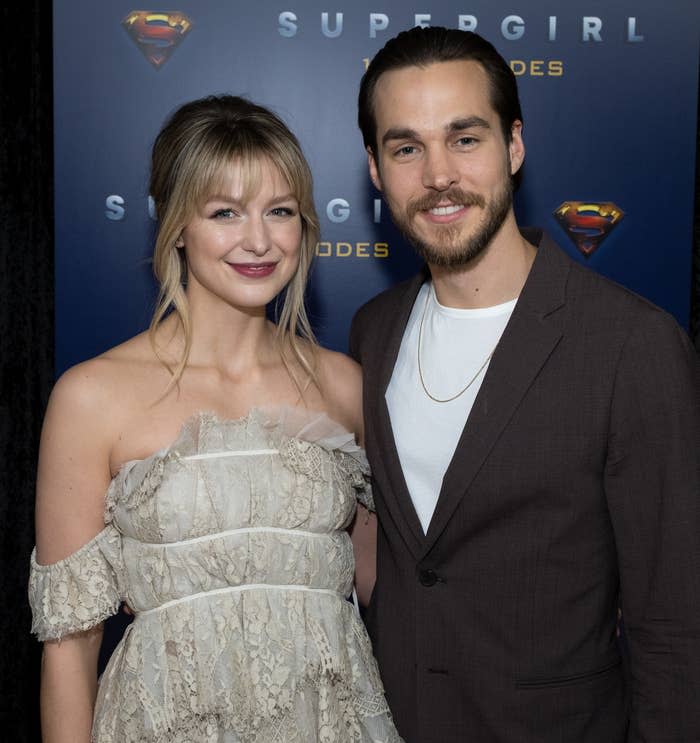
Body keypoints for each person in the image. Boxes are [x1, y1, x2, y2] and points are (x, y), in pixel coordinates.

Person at [349, 26, 700, 743]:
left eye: (465, 138)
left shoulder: (633, 343)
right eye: (407, 146)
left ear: (514, 146)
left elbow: (675, 624)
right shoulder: (373, 331)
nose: (438, 173)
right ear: (376, 170)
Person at [29, 95, 402, 742]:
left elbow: (386, 588)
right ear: (177, 226)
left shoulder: (344, 385)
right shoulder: (92, 397)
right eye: (225, 212)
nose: (258, 240)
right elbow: (69, 647)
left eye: (279, 211)